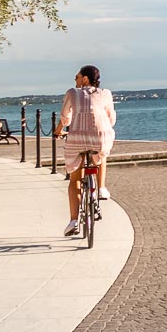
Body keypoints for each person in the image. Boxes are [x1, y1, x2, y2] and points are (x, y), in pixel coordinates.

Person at [55, 64, 117, 237]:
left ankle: (74, 220)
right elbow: (111, 118)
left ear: (85, 79)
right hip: (101, 136)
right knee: (102, 152)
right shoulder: (106, 93)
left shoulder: (72, 93)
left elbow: (65, 117)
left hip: (77, 139)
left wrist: (58, 130)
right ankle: (102, 188)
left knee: (75, 178)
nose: (75, 79)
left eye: (77, 76)